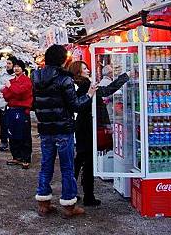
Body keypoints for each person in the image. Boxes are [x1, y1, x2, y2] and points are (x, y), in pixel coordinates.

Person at [32, 45, 97, 218]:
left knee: (46, 166)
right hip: (63, 129)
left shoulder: (36, 77)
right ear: (63, 60)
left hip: (45, 128)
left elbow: (35, 104)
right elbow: (75, 105)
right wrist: (89, 94)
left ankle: (44, 204)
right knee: (67, 167)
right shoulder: (64, 79)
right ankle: (69, 206)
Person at [69, 60, 129, 206]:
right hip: (87, 126)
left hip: (84, 126)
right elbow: (106, 91)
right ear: (78, 71)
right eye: (84, 68)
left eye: (87, 67)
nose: (88, 70)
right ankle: (83, 195)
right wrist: (125, 76)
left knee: (81, 159)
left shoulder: (81, 83)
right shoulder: (84, 85)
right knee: (86, 160)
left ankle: (73, 192)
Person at [2, 60, 33, 169]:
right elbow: (6, 95)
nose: (16, 68)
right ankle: (16, 156)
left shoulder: (27, 81)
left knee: (24, 134)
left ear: (23, 68)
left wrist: (11, 88)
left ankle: (25, 157)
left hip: (22, 110)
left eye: (19, 66)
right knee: (12, 133)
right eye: (15, 66)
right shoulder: (11, 81)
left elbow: (20, 93)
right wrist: (13, 90)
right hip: (12, 109)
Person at [0, 57, 16, 151]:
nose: (7, 65)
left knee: (13, 123)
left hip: (14, 102)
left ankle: (13, 142)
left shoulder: (17, 74)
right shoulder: (1, 74)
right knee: (3, 123)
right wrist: (6, 87)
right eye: (7, 63)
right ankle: (3, 141)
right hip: (3, 102)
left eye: (9, 63)